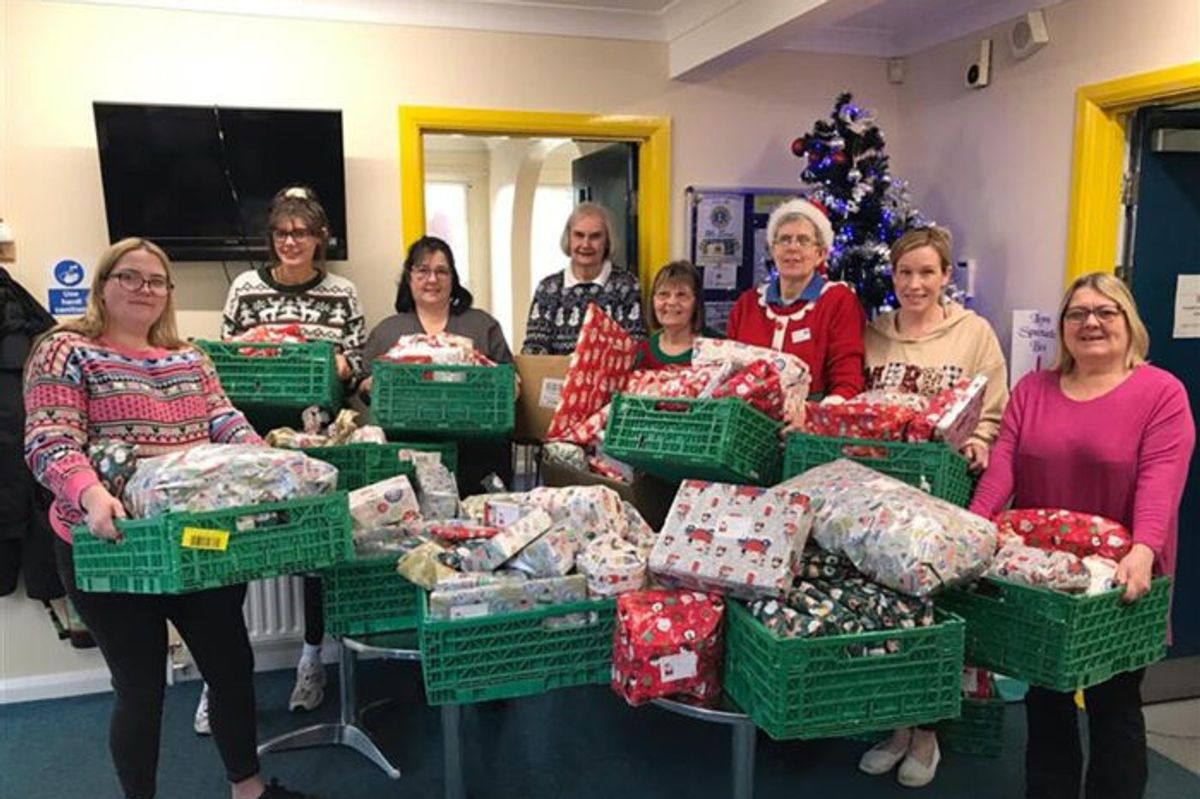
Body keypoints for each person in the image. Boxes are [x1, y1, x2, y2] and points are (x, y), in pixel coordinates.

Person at [23, 238, 310, 799]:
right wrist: (88, 494)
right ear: (103, 284)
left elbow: (224, 422)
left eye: (155, 281)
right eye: (129, 277)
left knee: (230, 667)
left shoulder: (190, 357)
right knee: (141, 685)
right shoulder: (65, 350)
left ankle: (248, 789)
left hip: (198, 539)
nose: (143, 289)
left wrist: (278, 466)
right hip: (112, 541)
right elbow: (49, 438)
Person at [969, 272, 1194, 799]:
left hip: (1121, 579)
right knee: (1045, 699)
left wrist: (1145, 550)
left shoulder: (1161, 393)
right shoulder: (1034, 388)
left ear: (1128, 322)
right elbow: (1004, 465)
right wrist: (976, 526)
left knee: (1112, 706)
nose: (1090, 322)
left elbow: (1162, 478)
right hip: (1041, 578)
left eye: (1105, 311)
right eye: (1077, 314)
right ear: (1064, 328)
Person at [856, 226, 1009, 787]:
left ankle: (927, 733)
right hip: (876, 501)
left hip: (942, 498)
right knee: (884, 612)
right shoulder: (873, 333)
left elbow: (994, 413)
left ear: (947, 276)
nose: (915, 283)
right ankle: (896, 725)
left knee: (934, 613)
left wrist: (981, 441)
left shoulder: (974, 335)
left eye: (927, 272)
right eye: (905, 273)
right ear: (892, 277)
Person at [218, 186, 366, 719]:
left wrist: (331, 366)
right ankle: (222, 681)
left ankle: (310, 660)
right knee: (233, 558)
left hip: (316, 440)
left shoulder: (343, 293)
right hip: (250, 443)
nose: (291, 241)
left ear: (319, 238)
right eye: (281, 232)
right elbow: (225, 365)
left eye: (301, 232)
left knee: (311, 554)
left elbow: (355, 363)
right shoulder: (243, 289)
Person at [360, 236, 514, 493]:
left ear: (453, 279)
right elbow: (363, 387)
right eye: (423, 271)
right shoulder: (388, 331)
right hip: (408, 454)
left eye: (442, 271)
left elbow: (512, 384)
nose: (432, 279)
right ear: (409, 278)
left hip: (477, 452)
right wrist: (374, 385)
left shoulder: (481, 325)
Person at [725, 197, 865, 407]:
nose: (792, 248)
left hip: (810, 428)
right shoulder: (748, 304)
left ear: (821, 254)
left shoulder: (838, 301)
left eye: (803, 240)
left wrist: (816, 419)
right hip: (748, 425)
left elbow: (847, 378)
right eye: (784, 239)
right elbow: (727, 372)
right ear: (773, 250)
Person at [521, 201, 645, 355]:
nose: (586, 244)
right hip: (558, 377)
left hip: (608, 378)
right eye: (579, 235)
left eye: (595, 237)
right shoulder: (548, 288)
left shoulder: (627, 286)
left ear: (607, 241)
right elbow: (534, 348)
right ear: (569, 238)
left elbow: (635, 348)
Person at [632, 260, 718, 370]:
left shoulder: (718, 349)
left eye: (681, 295)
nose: (672, 302)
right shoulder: (644, 352)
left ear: (696, 302)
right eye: (663, 294)